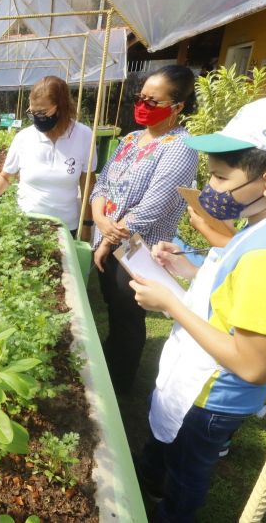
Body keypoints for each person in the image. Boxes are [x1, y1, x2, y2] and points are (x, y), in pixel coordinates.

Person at [131, 97, 266, 522]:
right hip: (201, 380)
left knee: (187, 472)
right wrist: (184, 269)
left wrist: (170, 306)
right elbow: (233, 291)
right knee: (170, 455)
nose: (209, 190)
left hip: (211, 396)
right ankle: (150, 482)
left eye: (219, 177)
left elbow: (254, 365)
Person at [90, 65, 199, 393]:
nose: (142, 105)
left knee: (128, 316)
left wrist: (107, 241)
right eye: (140, 98)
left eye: (153, 102)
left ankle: (119, 384)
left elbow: (152, 206)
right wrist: (98, 219)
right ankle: (110, 365)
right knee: (114, 308)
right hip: (106, 241)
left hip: (138, 250)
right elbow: (102, 183)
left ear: (177, 106)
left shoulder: (181, 146)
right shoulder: (131, 138)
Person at [0, 76, 97, 238]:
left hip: (66, 226)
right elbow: (7, 176)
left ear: (61, 107)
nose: (36, 118)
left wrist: (87, 224)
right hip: (27, 223)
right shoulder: (24, 138)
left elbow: (87, 183)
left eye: (42, 112)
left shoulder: (84, 135)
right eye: (32, 112)